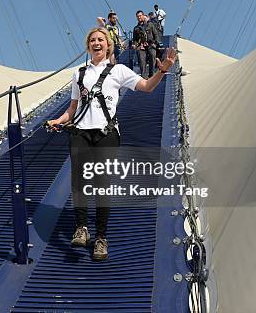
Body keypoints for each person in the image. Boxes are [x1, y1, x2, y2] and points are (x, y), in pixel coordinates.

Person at [47, 27, 176, 261]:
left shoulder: (118, 70)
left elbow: (147, 87)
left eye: (101, 40)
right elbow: (73, 108)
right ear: (88, 46)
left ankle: (101, 238)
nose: (96, 43)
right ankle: (82, 228)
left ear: (109, 45)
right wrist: (59, 120)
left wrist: (162, 71)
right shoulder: (79, 74)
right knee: (79, 180)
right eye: (92, 40)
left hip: (106, 133)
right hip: (79, 132)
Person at [132, 11, 159, 79]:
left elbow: (156, 34)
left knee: (152, 55)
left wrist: (155, 43)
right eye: (137, 16)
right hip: (141, 46)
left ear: (144, 16)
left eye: (140, 15)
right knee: (141, 59)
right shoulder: (136, 28)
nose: (139, 17)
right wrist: (134, 45)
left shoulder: (150, 24)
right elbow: (135, 39)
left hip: (150, 44)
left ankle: (151, 74)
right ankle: (144, 76)